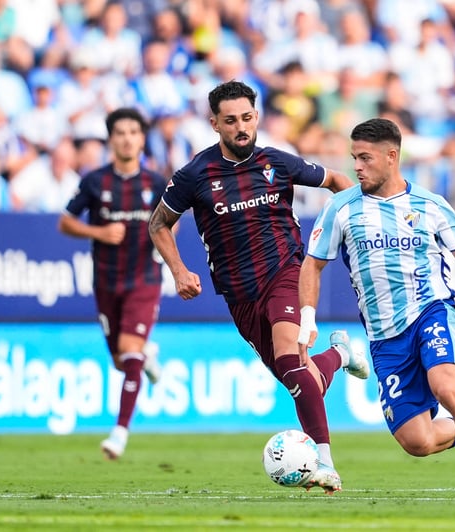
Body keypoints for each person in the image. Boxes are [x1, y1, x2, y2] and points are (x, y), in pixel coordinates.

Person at [148, 80, 369, 494]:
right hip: (240, 295)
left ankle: (325, 463)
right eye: (231, 121)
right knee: (300, 380)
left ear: (257, 117)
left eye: (247, 118)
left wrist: (360, 227)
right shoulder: (195, 174)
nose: (241, 127)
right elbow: (158, 223)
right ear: (215, 124)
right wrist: (178, 270)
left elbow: (338, 181)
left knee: (291, 363)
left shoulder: (277, 162)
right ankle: (341, 354)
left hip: (286, 273)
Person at [297, 118, 455, 501]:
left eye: (365, 158)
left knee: (446, 387)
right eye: (354, 157)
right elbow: (311, 265)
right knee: (417, 441)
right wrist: (307, 319)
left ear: (391, 156)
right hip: (385, 337)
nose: (357, 167)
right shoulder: (341, 207)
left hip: (431, 312)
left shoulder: (430, 205)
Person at [58, 107, 166, 460]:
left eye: (133, 132)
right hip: (106, 281)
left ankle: (119, 432)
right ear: (111, 139)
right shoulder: (95, 181)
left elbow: (172, 221)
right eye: (120, 133)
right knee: (123, 360)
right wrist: (98, 232)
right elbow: (65, 222)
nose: (127, 139)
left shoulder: (156, 184)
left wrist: (163, 242)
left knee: (129, 351)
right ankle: (147, 355)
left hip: (144, 279)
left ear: (142, 139)